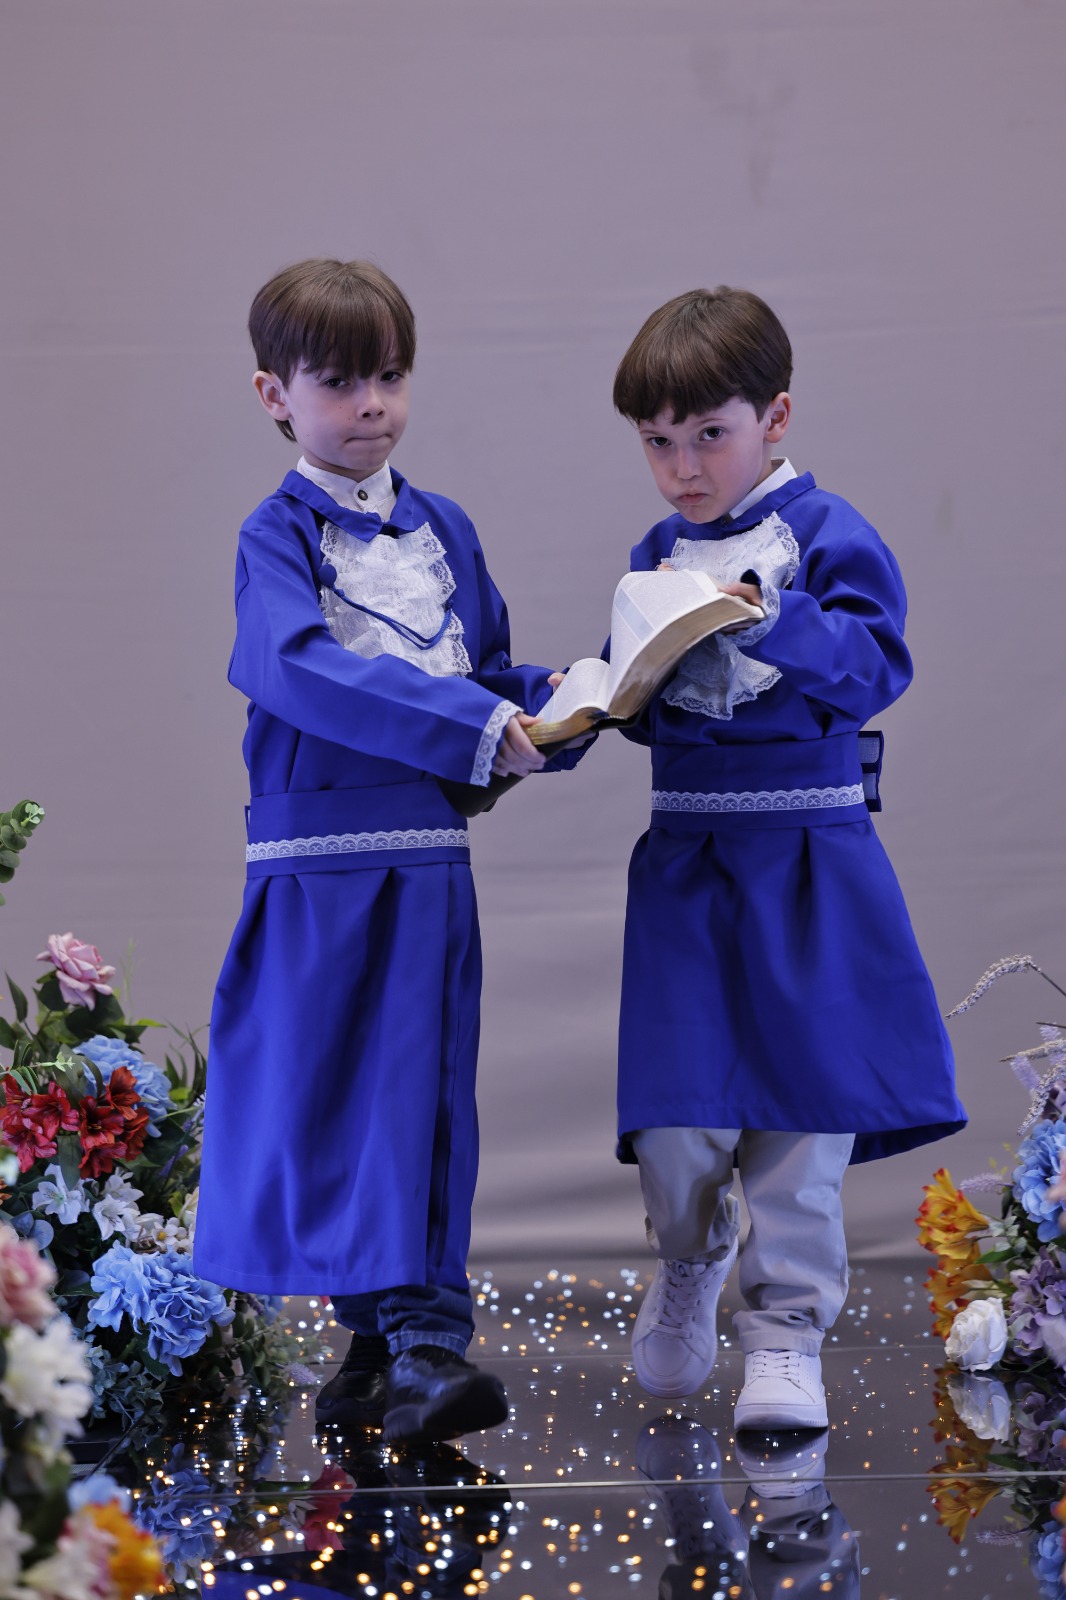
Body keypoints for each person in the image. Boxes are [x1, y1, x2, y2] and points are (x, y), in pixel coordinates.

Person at [193, 257, 556, 1444]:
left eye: (390, 376)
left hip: (418, 860)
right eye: (340, 382)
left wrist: (572, 699)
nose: (372, 406)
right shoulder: (274, 536)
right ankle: (375, 1335)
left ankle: (422, 1343)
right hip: (313, 866)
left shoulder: (445, 529)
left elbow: (482, 675)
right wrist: (475, 723)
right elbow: (297, 667)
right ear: (274, 394)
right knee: (326, 1099)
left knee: (418, 1094)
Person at [608, 286, 966, 1430]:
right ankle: (690, 1253)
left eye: (708, 434)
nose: (682, 469)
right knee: (675, 1113)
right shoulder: (655, 553)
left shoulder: (825, 533)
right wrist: (596, 698)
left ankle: (786, 1331)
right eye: (657, 442)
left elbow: (875, 666)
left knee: (801, 1115)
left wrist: (771, 617)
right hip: (687, 860)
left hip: (807, 857)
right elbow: (651, 701)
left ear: (775, 416)